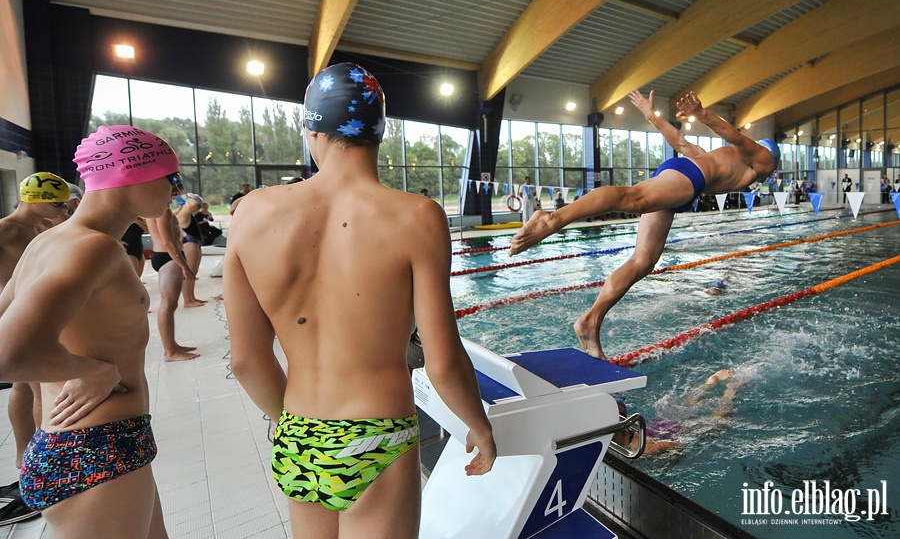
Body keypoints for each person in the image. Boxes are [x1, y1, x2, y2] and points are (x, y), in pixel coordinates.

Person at [224, 62, 495, 539]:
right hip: (377, 431)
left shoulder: (251, 215)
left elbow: (247, 361)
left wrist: (291, 426)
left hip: (300, 432)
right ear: (380, 132)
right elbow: (442, 360)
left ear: (311, 130)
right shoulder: (417, 217)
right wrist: (479, 426)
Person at [0, 126, 186, 536]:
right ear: (132, 175)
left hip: (99, 442)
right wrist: (94, 371)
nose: (175, 190)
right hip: (92, 448)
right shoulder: (92, 247)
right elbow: (6, 352)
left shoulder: (48, 242)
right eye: (171, 177)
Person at [509, 90, 779, 359]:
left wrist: (652, 118)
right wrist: (701, 114)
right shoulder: (764, 160)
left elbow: (681, 143)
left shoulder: (731, 162)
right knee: (633, 198)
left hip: (685, 181)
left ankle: (590, 321)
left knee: (643, 261)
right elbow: (735, 136)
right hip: (689, 177)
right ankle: (554, 218)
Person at [0, 171, 70, 526]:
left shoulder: (42, 231)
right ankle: (25, 460)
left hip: (44, 319)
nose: (62, 209)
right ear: (35, 198)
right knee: (26, 386)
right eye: (56, 202)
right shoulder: (3, 230)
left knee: (37, 387)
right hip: (13, 319)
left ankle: (35, 457)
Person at [613, 369, 750, 456]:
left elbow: (678, 445)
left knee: (717, 423)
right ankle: (708, 384)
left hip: (673, 431)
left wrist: (673, 460)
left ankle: (730, 391)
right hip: (656, 425)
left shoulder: (643, 449)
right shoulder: (630, 426)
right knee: (686, 405)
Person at [146, 199, 200, 362]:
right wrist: (184, 265)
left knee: (170, 304)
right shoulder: (163, 211)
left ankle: (173, 346)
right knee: (168, 304)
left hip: (164, 256)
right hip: (168, 258)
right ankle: (170, 351)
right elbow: (168, 242)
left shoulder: (153, 210)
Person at [174, 194, 206, 307]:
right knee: (189, 273)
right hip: (189, 243)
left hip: (195, 242)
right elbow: (193, 204)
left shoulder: (184, 213)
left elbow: (196, 205)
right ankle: (187, 300)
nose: (197, 208)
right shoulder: (183, 213)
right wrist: (186, 196)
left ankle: (192, 297)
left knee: (193, 272)